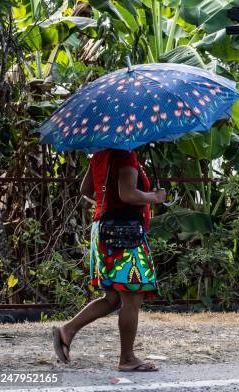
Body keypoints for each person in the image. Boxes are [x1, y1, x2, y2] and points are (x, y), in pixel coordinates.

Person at [52, 149, 166, 372]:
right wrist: (154, 197)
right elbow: (128, 195)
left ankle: (67, 331)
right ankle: (127, 358)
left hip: (102, 229)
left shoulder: (99, 154)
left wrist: (109, 203)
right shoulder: (125, 154)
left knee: (113, 298)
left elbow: (86, 189)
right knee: (132, 297)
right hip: (124, 233)